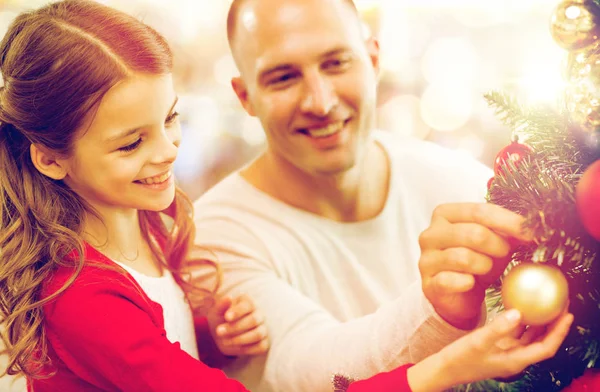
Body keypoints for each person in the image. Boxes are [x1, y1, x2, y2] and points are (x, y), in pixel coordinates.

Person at [188, 0, 570, 390]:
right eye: (283, 77)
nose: (320, 102)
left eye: (336, 63)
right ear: (245, 96)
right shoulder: (214, 234)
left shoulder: (463, 183)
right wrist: (439, 310)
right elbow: (313, 375)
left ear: (372, 59)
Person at [0, 1, 269, 391]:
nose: (168, 151)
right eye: (131, 144)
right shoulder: (81, 297)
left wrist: (213, 339)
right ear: (51, 160)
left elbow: (157, 355)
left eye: (170, 119)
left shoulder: (145, 222)